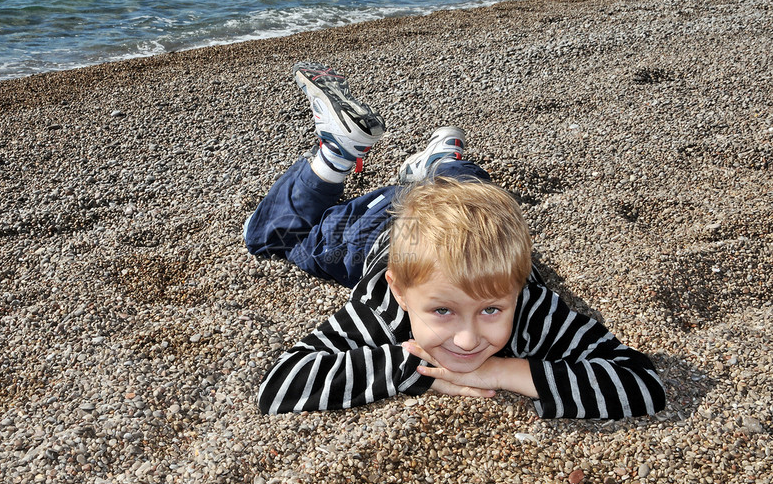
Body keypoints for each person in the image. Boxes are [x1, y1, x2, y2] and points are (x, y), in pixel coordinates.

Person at [244, 63, 666, 419]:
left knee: (476, 194)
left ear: (516, 292)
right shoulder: (383, 308)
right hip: (381, 228)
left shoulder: (532, 309)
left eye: (491, 309)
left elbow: (642, 384)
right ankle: (338, 154)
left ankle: (444, 163)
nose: (467, 340)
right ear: (401, 292)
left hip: (468, 197)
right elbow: (280, 383)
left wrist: (503, 372)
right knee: (274, 238)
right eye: (443, 310)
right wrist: (414, 368)